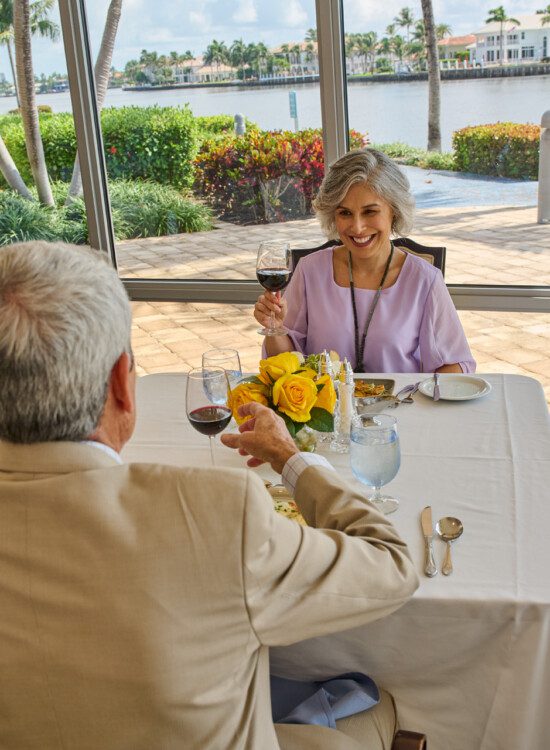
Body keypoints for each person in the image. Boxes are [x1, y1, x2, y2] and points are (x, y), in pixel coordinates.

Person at [0, 241, 418, 750]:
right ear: (121, 385)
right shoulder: (216, 513)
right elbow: (391, 566)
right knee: (386, 700)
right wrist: (290, 458)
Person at [255, 148, 476, 374]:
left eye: (370, 212)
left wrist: (418, 403)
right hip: (327, 408)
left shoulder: (424, 280)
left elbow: (456, 364)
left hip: (400, 406)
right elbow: (284, 365)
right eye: (345, 213)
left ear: (394, 212)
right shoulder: (310, 271)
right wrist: (276, 328)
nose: (358, 227)